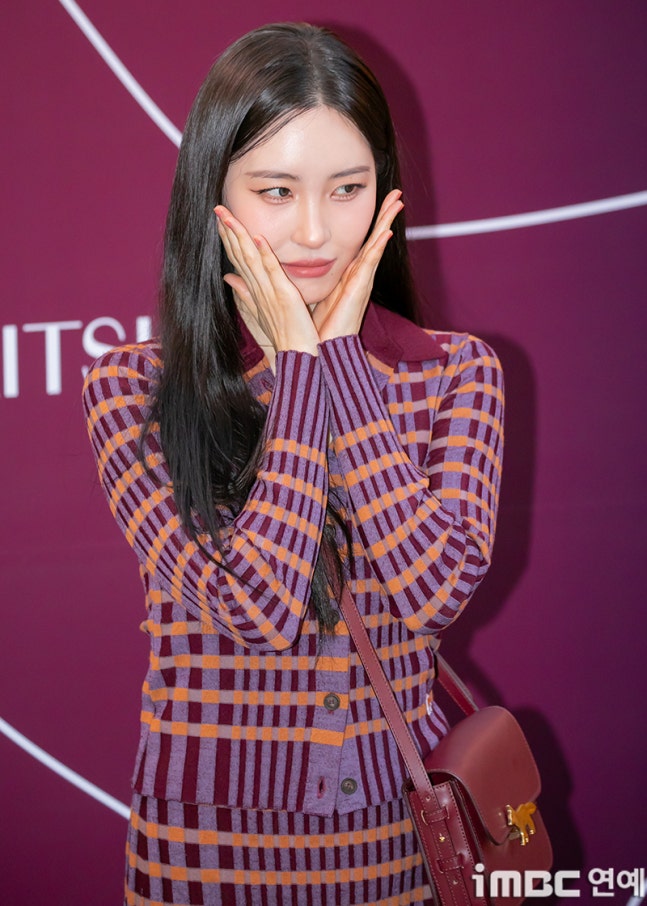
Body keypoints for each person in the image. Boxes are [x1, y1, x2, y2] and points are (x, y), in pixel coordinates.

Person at [82, 21, 504, 906]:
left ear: (384, 194)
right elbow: (259, 607)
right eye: (276, 191)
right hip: (200, 850)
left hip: (391, 840)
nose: (315, 230)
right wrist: (303, 368)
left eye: (348, 189)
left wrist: (339, 363)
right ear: (213, 193)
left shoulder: (456, 373)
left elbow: (433, 594)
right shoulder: (131, 390)